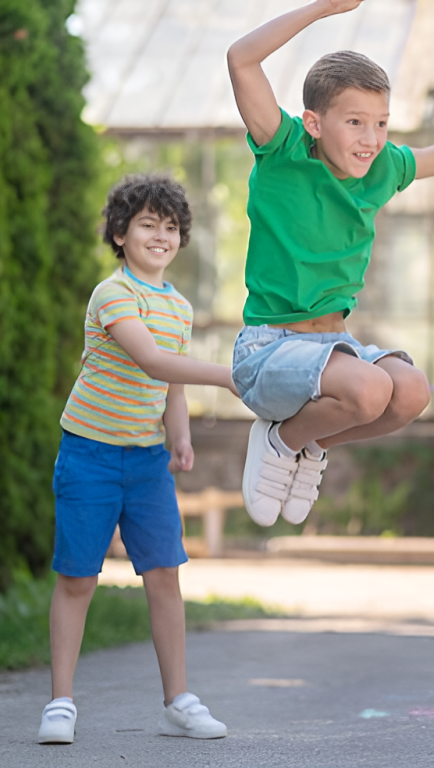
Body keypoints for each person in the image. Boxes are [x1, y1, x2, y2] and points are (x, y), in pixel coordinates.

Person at [225, 0, 434, 526]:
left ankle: (310, 443)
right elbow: (241, 59)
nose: (371, 138)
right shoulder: (282, 149)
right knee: (371, 388)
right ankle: (283, 440)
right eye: (354, 122)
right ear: (314, 123)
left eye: (380, 123)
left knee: (412, 392)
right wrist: (323, 8)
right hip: (268, 351)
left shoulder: (383, 168)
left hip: (332, 348)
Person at [38, 175, 239, 744]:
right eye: (148, 224)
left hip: (147, 461)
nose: (161, 235)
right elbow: (152, 361)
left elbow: (171, 387)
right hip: (89, 455)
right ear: (121, 234)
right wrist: (227, 377)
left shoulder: (179, 306)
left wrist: (180, 437)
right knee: (78, 579)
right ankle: (60, 703)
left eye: (171, 227)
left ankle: (178, 702)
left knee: (164, 577)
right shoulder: (112, 294)